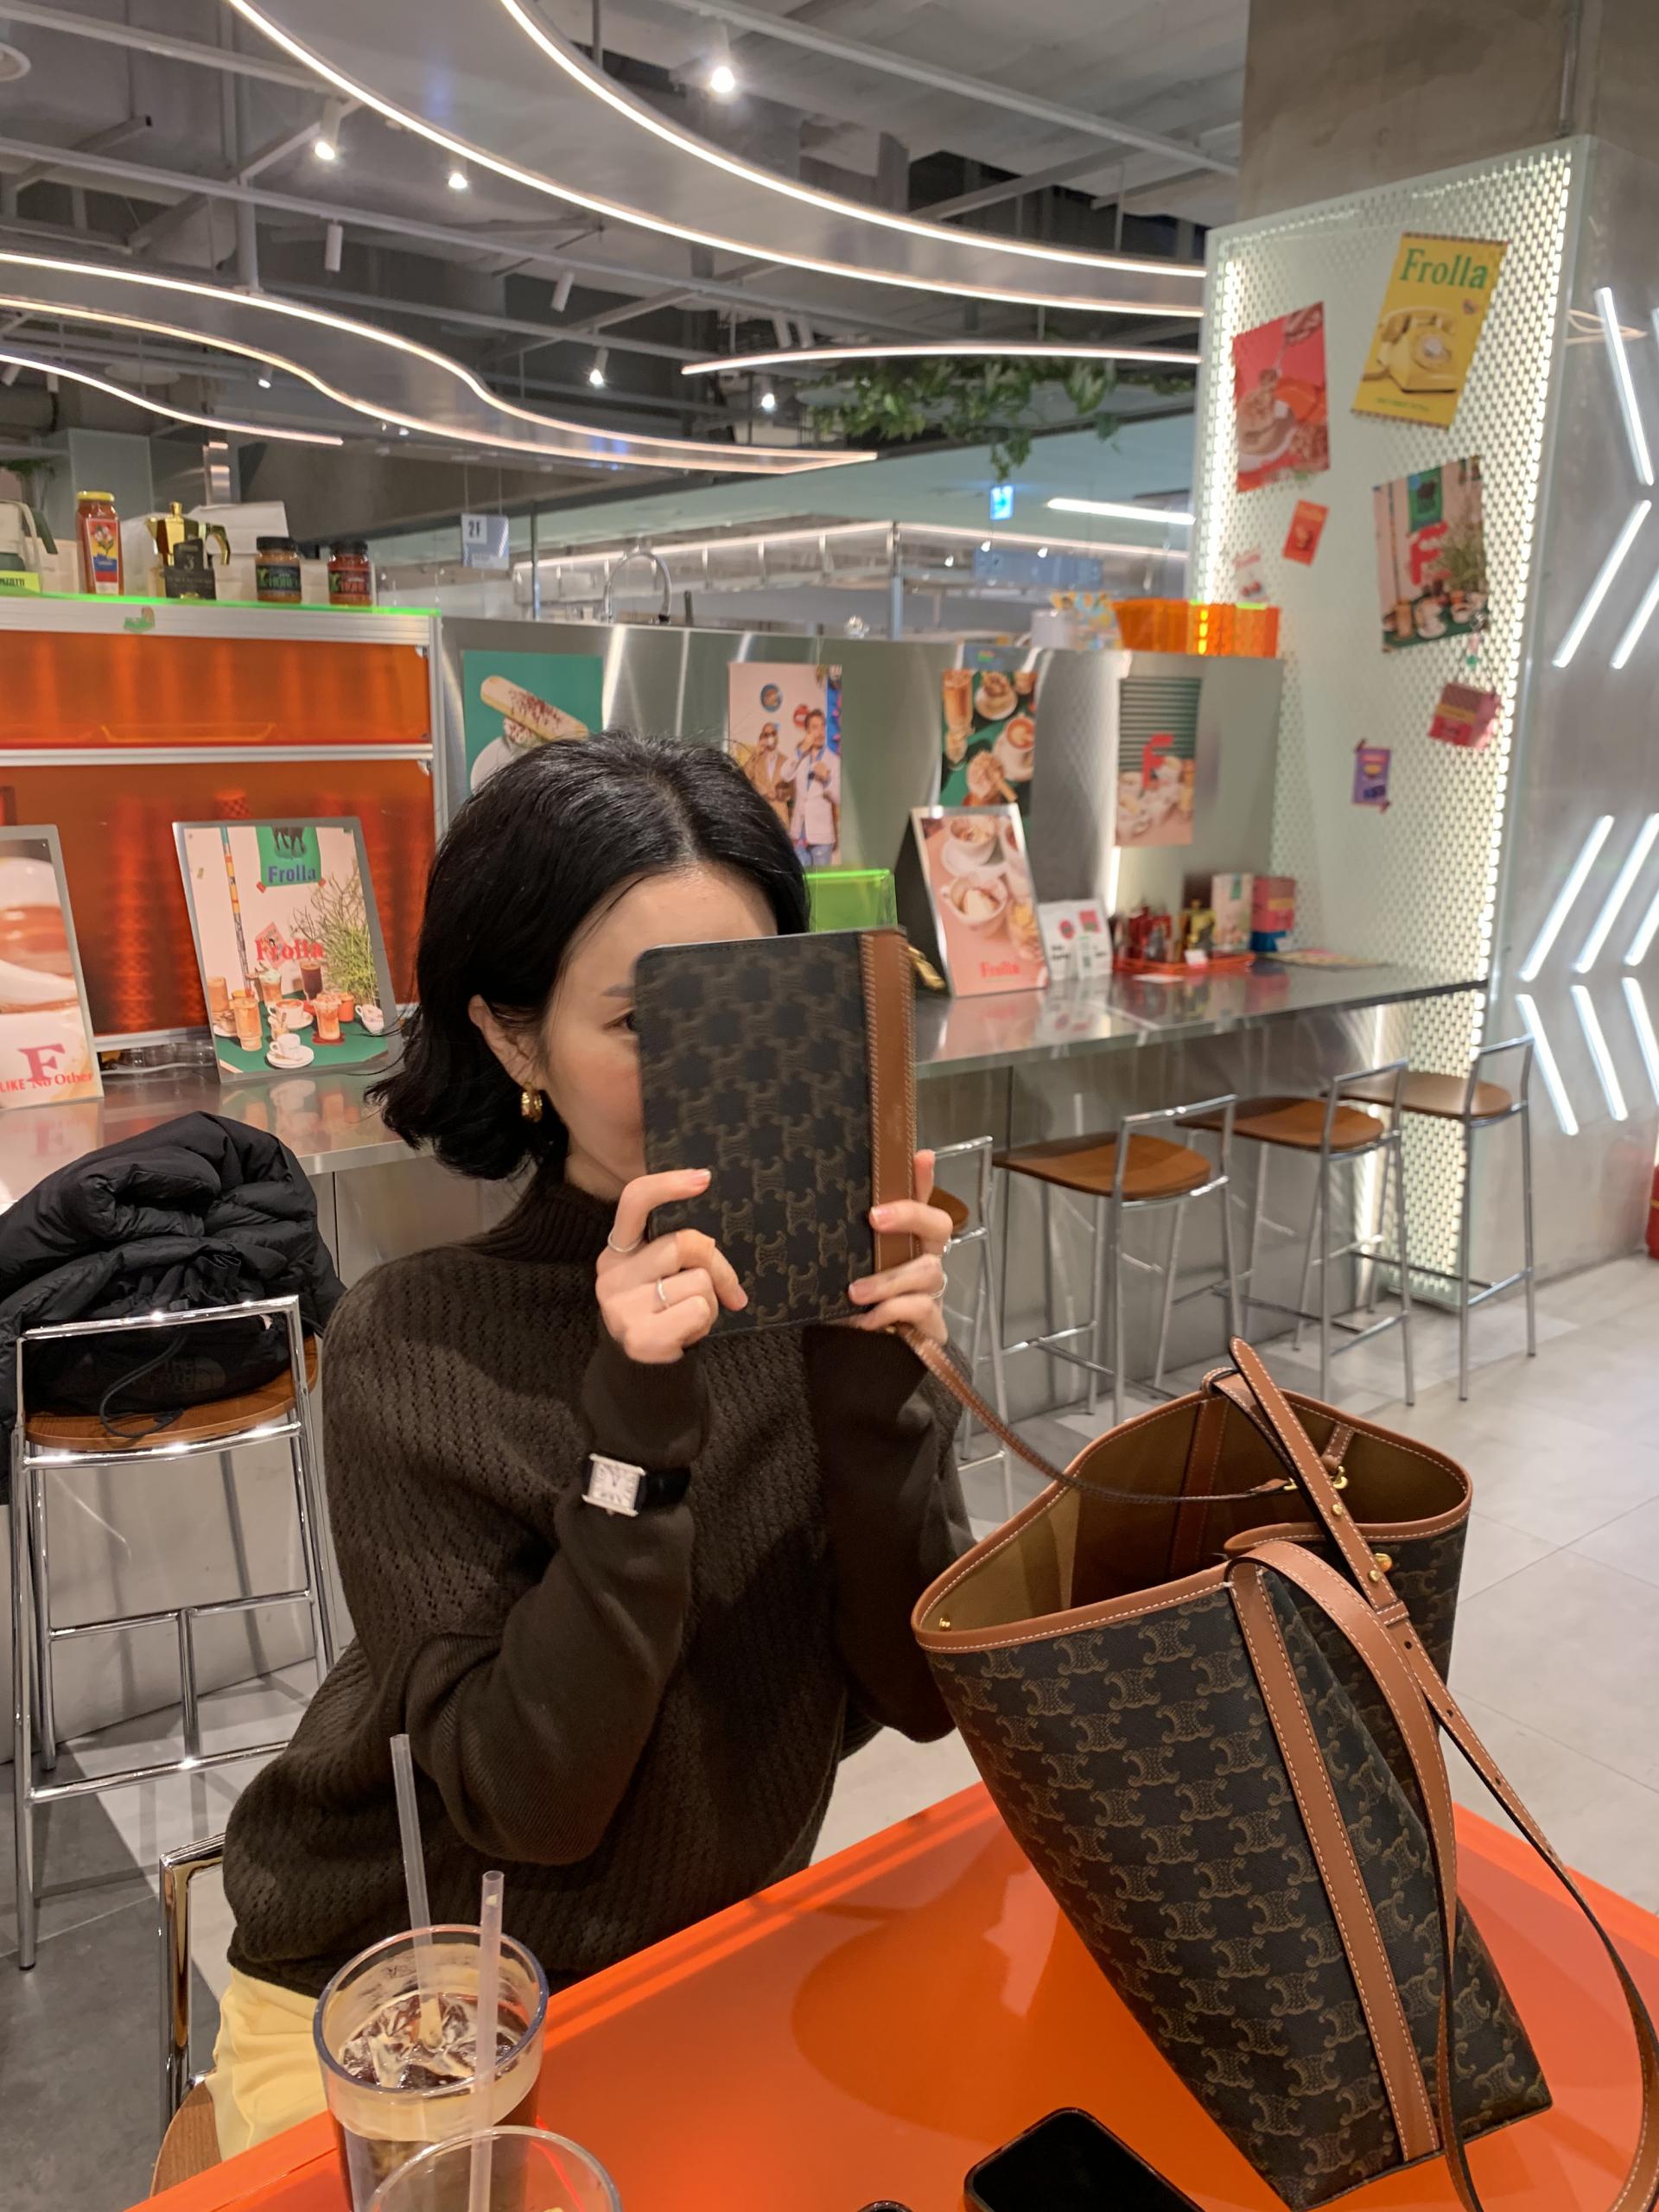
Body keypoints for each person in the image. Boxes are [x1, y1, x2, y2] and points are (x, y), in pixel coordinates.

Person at [207, 731, 967, 2154]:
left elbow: (922, 1694)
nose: (712, 1072)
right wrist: (635, 1438)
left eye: (749, 1005)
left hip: (697, 1962)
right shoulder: (416, 1342)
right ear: (515, 1040)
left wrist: (876, 1377)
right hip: (411, 1995)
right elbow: (532, 1800)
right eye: (639, 1022)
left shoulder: (822, 1303)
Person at [788, 706, 840, 867]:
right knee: (800, 880)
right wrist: (800, 751)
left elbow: (839, 797)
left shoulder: (834, 760)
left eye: (823, 726)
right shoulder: (800, 757)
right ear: (807, 732)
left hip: (821, 837)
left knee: (820, 881)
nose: (820, 732)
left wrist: (827, 779)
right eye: (815, 727)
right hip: (799, 835)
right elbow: (785, 774)